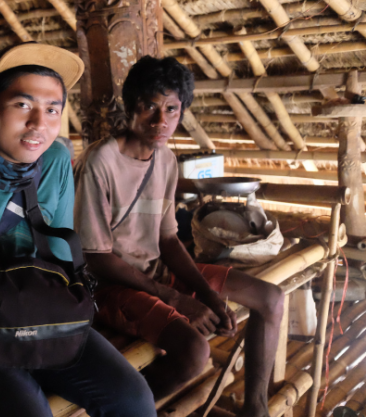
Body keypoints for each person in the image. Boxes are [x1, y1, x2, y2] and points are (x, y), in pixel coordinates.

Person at [0, 42, 156, 417]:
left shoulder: (54, 158)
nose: (39, 124)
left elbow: (58, 258)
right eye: (22, 105)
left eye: (52, 109)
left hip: (38, 309)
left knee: (133, 400)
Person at [73, 56, 284, 417]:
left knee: (271, 298)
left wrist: (206, 294)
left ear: (181, 112)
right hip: (108, 286)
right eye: (149, 106)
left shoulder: (166, 160)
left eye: (171, 108)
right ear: (131, 107)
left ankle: (256, 408)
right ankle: (128, 409)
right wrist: (178, 300)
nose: (160, 120)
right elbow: (95, 256)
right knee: (194, 352)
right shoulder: (100, 162)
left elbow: (169, 239)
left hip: (153, 273)